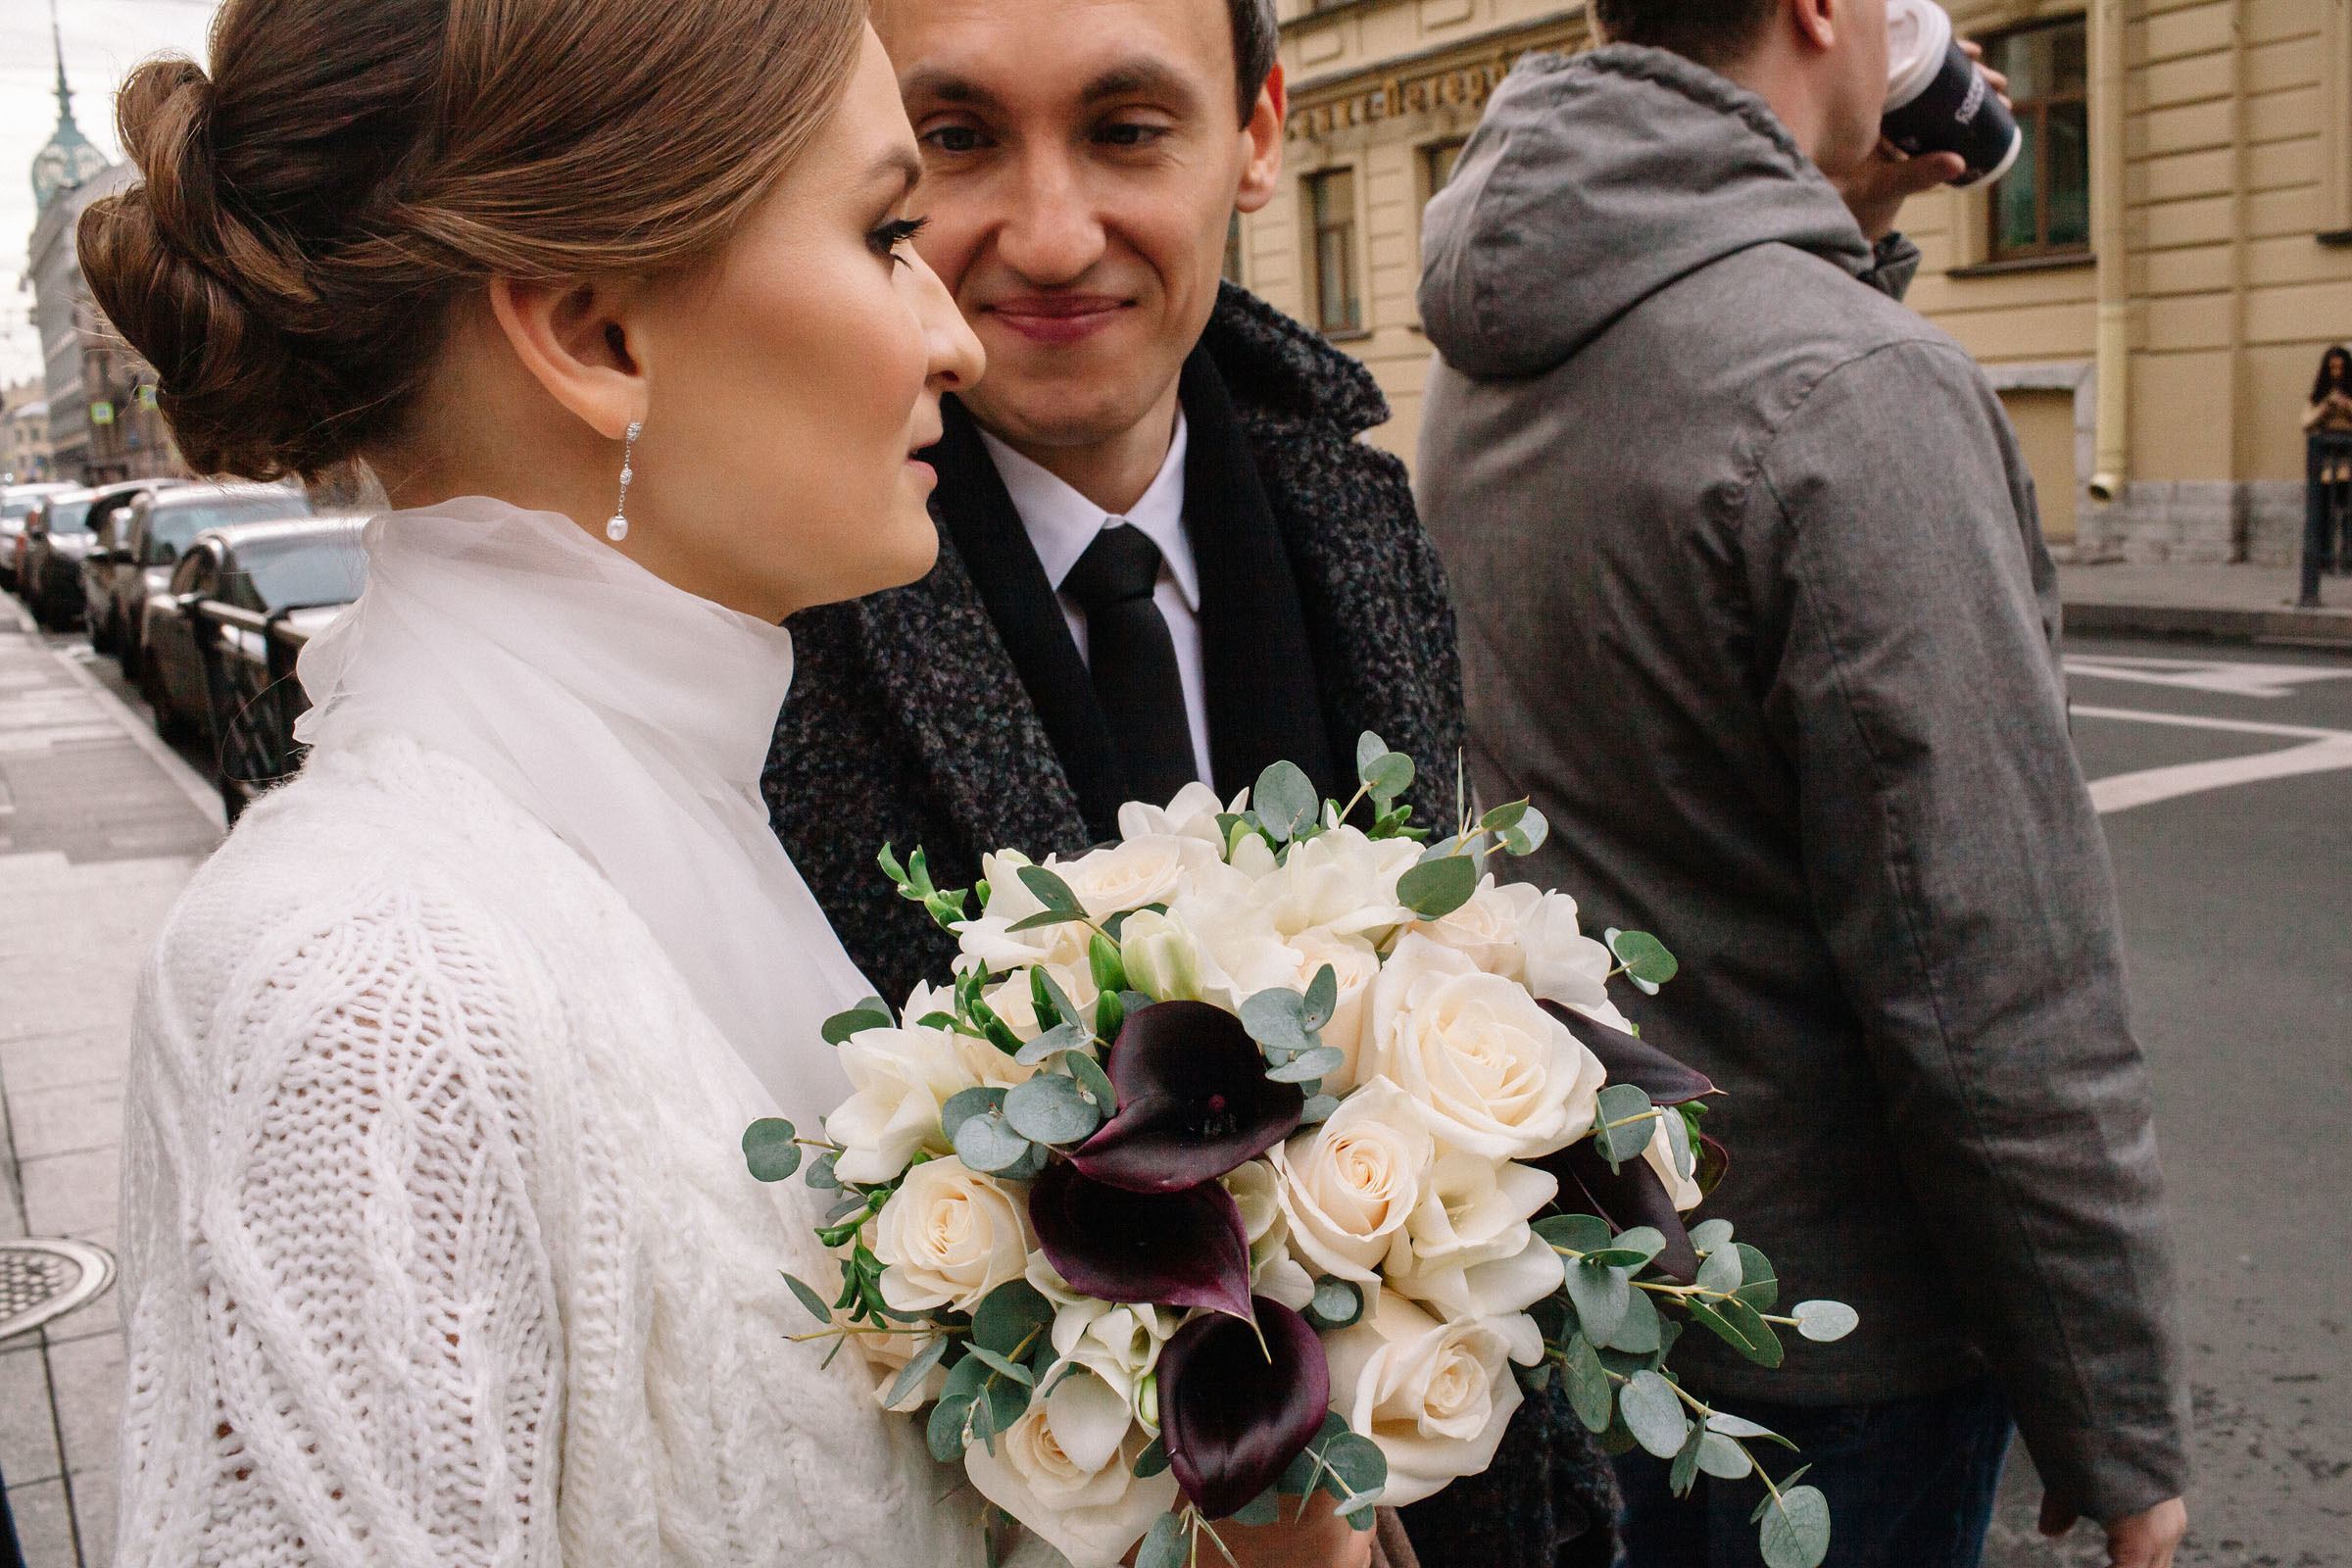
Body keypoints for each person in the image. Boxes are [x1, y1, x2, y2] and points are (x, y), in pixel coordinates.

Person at [78, 2, 1361, 1564]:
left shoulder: (666, 815)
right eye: (887, 233)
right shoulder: (362, 991)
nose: (952, 337)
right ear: (595, 338)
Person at [760, 3, 1617, 1564]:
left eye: (1125, 131)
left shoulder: (1359, 516)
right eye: (958, 141)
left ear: (1258, 134)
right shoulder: (776, 605)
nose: (1050, 235)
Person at [1410, 2, 2192, 1566]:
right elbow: (1986, 967)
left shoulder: (1503, 329)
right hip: (1828, 1348)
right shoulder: (1853, 388)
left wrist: (1833, 229)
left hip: (1583, 1274)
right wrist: (2114, 1404)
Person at [2299, 344, 2352, 608]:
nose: (2336, 373)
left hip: (2348, 468)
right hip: (2324, 470)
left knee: (2349, 516)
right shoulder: (2319, 396)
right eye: (2332, 368)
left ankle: (2347, 561)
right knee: (2322, 517)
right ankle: (2323, 562)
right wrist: (2325, 407)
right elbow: (2305, 422)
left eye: (2341, 368)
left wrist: (2346, 406)